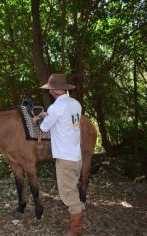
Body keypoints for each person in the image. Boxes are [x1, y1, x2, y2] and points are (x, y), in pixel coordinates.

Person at [33, 74, 84, 236]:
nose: (49, 92)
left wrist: (40, 118)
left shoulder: (55, 108)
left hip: (65, 158)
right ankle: (77, 222)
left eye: (49, 89)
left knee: (68, 194)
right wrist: (47, 115)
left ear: (54, 90)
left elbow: (45, 128)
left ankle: (75, 230)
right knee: (73, 189)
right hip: (76, 156)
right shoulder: (76, 104)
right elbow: (67, 123)